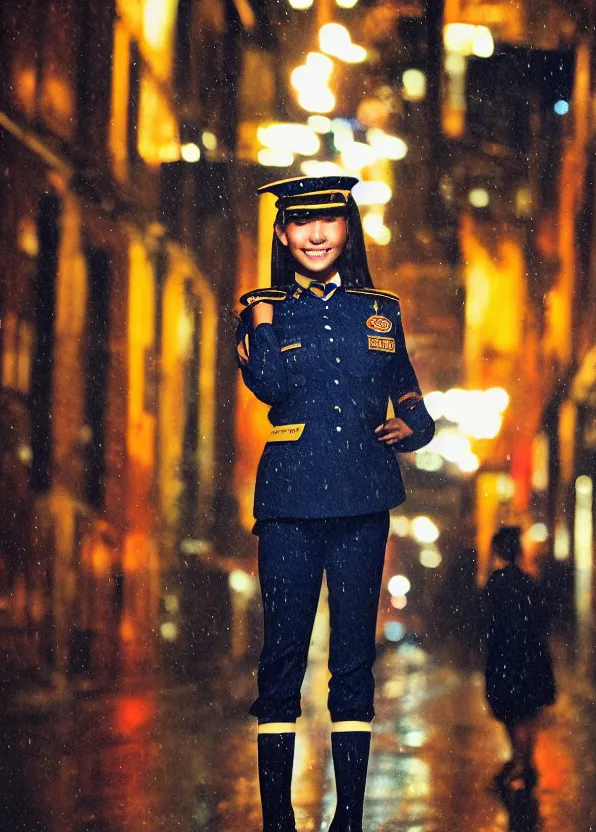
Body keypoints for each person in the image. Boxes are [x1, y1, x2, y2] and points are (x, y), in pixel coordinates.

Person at [235, 175, 435, 832]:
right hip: (290, 502)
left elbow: (404, 385)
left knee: (353, 659)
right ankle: (278, 821)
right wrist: (262, 322)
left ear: (348, 229)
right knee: (282, 659)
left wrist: (418, 423)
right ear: (283, 233)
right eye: (301, 223)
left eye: (329, 221)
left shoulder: (380, 309)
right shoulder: (262, 309)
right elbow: (268, 385)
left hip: (362, 498)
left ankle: (348, 816)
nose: (316, 235)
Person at [482, 526, 556, 793]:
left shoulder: (496, 585)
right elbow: (545, 619)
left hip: (506, 658)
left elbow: (486, 624)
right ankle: (523, 762)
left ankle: (521, 763)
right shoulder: (529, 584)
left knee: (513, 714)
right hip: (532, 658)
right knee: (527, 714)